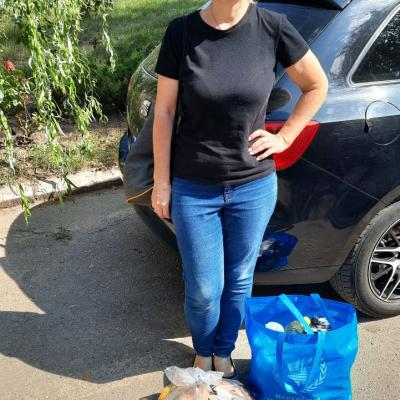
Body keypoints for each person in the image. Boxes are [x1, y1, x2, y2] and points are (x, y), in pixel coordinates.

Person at [151, 0, 328, 380]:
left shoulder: (273, 28)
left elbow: (316, 85)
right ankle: (203, 351)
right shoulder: (181, 33)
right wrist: (162, 182)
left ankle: (223, 351)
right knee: (203, 287)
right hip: (193, 186)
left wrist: (285, 138)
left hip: (253, 186)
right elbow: (164, 111)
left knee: (240, 278)